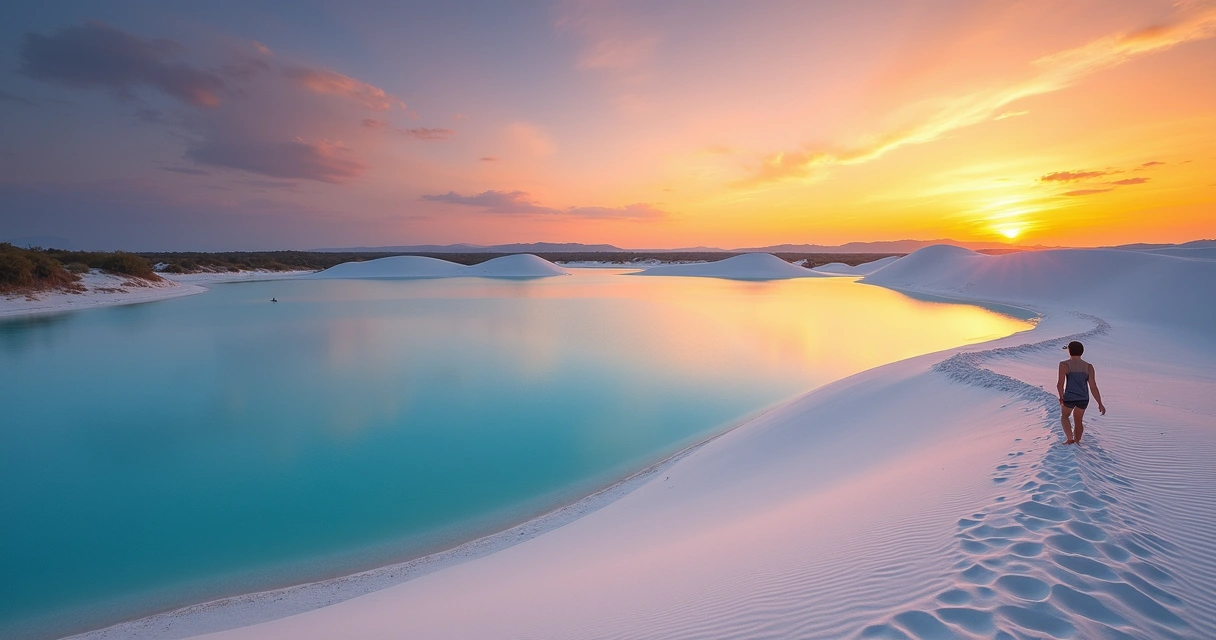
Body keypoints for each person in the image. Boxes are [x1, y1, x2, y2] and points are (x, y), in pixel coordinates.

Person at [1056, 340, 1106, 444]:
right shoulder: (1088, 366)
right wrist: (1100, 403)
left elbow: (1060, 384)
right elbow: (1093, 386)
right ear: (1082, 351)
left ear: (1069, 351)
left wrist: (1061, 396)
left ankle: (1070, 439)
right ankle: (1077, 441)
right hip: (1083, 398)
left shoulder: (1064, 364)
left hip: (1069, 396)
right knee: (1078, 421)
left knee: (1065, 416)